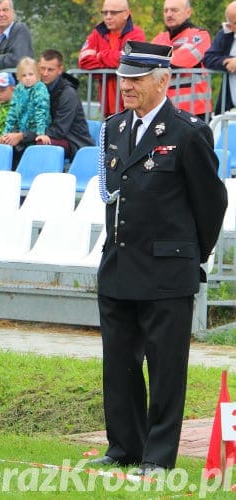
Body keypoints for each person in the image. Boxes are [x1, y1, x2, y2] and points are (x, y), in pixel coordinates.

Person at [89, 41, 227, 475]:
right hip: (119, 265)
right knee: (119, 364)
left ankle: (158, 453)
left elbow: (211, 203)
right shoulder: (113, 128)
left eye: (135, 79)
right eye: (122, 77)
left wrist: (190, 255)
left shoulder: (187, 132)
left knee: (165, 368)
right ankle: (124, 445)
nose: (125, 86)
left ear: (163, 80)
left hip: (167, 270)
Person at [1, 50, 94, 162]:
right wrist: (12, 134)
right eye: (42, 68)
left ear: (60, 70)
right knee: (8, 142)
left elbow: (58, 131)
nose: (45, 73)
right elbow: (19, 115)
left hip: (72, 141)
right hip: (41, 133)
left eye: (50, 70)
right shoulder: (32, 88)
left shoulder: (68, 93)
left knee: (40, 144)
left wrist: (22, 136)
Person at [78, 0, 145, 116]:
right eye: (105, 13)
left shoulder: (136, 34)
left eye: (113, 13)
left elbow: (129, 60)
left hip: (131, 102)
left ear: (126, 13)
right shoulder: (97, 33)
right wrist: (113, 65)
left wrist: (100, 55)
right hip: (106, 104)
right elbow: (84, 60)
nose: (108, 17)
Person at [151, 0, 211, 119]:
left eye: (174, 10)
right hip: (164, 110)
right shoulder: (159, 38)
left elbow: (180, 61)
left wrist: (157, 58)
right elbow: (146, 62)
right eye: (165, 10)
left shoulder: (199, 35)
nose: (168, 14)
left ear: (188, 12)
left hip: (195, 111)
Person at [1, 57, 49, 138]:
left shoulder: (40, 87)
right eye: (24, 75)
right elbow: (12, 113)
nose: (27, 78)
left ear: (37, 74)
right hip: (22, 129)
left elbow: (41, 111)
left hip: (38, 130)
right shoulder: (18, 89)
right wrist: (5, 132)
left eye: (31, 74)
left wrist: (41, 133)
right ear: (19, 77)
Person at [203, 2, 236, 114]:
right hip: (230, 108)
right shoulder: (225, 35)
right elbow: (208, 58)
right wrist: (227, 62)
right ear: (230, 26)